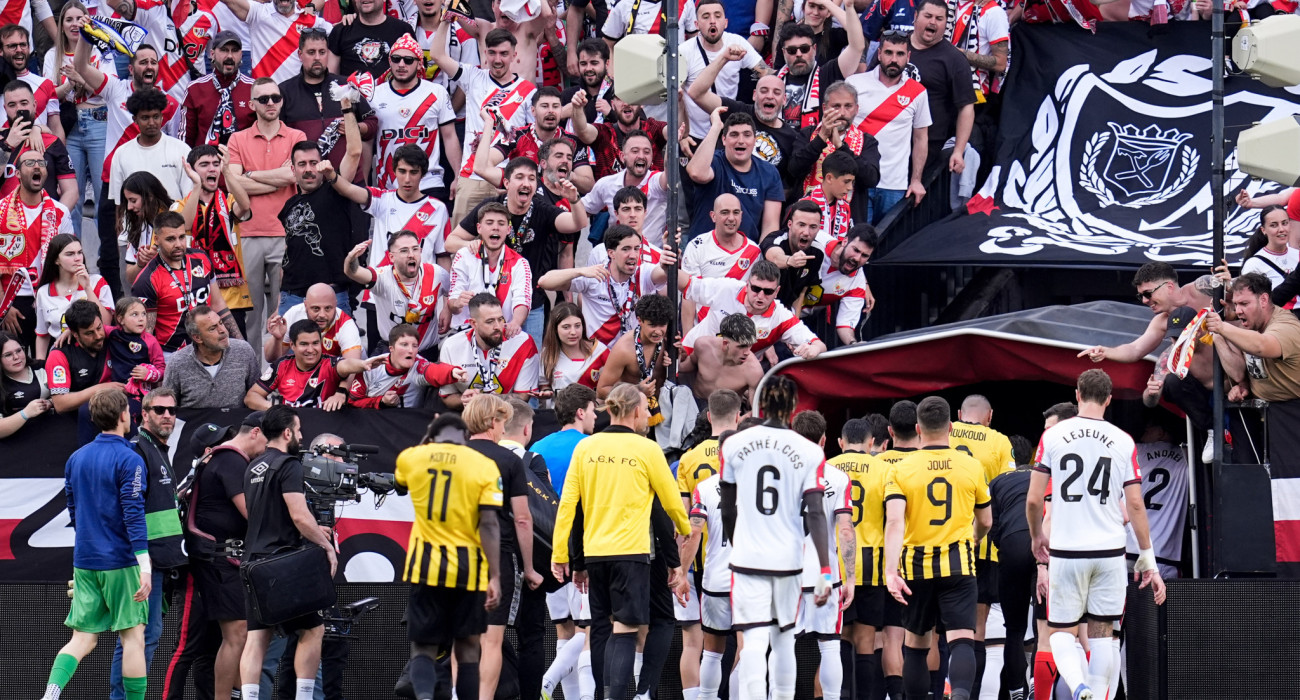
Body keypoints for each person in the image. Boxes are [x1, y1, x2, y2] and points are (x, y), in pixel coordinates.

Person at [1026, 370, 1166, 700]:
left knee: (1060, 633)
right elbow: (1134, 504)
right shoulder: (1123, 440)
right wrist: (1148, 557)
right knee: (1104, 636)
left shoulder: (1054, 436)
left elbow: (1033, 499)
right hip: (1109, 553)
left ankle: (1078, 686)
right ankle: (1097, 693)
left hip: (1067, 552)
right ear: (1109, 399)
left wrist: (1036, 537)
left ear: (1077, 394)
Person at [551, 383, 691, 699]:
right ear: (637, 411)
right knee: (626, 630)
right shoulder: (647, 449)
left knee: (600, 628)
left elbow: (569, 506)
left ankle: (602, 695)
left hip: (595, 553)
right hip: (632, 552)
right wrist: (683, 531)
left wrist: (562, 554)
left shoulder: (585, 448)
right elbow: (671, 503)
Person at [719, 375, 832, 700]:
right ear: (794, 405)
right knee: (783, 641)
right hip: (788, 560)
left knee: (754, 640)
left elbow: (728, 508)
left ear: (761, 403)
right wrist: (825, 570)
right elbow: (815, 513)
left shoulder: (733, 444)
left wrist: (739, 543)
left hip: (747, 558)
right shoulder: (810, 451)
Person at [36, 388, 152, 700]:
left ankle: (50, 694)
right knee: (133, 638)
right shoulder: (130, 458)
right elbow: (133, 514)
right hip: (121, 561)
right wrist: (145, 566)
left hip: (85, 560)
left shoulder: (76, 458)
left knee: (82, 638)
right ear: (124, 416)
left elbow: (73, 511)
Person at [881, 396, 991, 700]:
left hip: (915, 567)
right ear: (951, 427)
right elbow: (986, 520)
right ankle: (960, 695)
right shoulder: (971, 465)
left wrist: (891, 571)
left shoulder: (900, 469)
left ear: (918, 428)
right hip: (958, 564)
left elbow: (894, 522)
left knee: (916, 644)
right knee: (961, 639)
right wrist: (974, 538)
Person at [394, 412, 503, 700]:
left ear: (431, 436)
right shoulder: (483, 465)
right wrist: (495, 576)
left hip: (425, 566)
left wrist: (428, 438)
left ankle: (425, 697)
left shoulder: (412, 457)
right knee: (467, 649)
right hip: (469, 570)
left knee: (423, 648)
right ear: (466, 437)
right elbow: (489, 524)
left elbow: (399, 485)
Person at [237, 405, 337, 700]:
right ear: (287, 433)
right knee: (313, 630)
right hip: (282, 565)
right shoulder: (289, 464)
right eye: (299, 429)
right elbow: (300, 516)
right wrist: (326, 546)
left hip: (253, 564)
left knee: (256, 638)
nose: (302, 436)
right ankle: (304, 697)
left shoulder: (253, 466)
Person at [73, 27, 178, 299]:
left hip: (152, 188)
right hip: (115, 185)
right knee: (110, 251)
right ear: (131, 69)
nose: (149, 66)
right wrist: (85, 35)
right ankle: (113, 305)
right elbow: (81, 67)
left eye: (153, 62)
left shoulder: (170, 103)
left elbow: (173, 144)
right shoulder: (115, 88)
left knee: (155, 248)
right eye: (143, 62)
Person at [449, 158, 588, 345]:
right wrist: (470, 245)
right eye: (520, 177)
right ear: (507, 183)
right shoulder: (491, 208)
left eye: (531, 178)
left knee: (529, 357)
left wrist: (574, 199)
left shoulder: (543, 209)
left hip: (532, 303)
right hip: (491, 305)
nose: (526, 183)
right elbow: (450, 242)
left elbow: (578, 223)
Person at [1078, 262, 1219, 439]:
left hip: (1237, 369)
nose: (1145, 300)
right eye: (1141, 296)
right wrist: (1106, 352)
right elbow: (1135, 349)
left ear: (1169, 286)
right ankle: (1213, 430)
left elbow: (1245, 288)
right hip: (1208, 387)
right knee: (1172, 382)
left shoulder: (1201, 289)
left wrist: (1227, 281)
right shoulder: (1162, 324)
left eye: (1147, 293)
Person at [461, 394, 541, 700]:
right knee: (491, 641)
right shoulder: (509, 461)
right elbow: (523, 519)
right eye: (503, 422)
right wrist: (529, 568)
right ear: (492, 422)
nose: (504, 429)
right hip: (496, 558)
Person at [107, 387, 185, 700]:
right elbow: (129, 509)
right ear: (144, 414)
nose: (167, 415)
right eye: (159, 410)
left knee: (144, 635)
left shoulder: (156, 449)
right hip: (145, 563)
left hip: (160, 561)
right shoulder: (138, 450)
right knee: (138, 636)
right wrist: (142, 562)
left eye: (172, 410)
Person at [189, 412, 268, 700]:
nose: (267, 450)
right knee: (236, 635)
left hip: (227, 560)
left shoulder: (228, 460)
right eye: (268, 441)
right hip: (221, 560)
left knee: (242, 635)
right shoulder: (231, 460)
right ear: (256, 432)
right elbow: (252, 513)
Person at [226, 77, 307, 350]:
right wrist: (278, 178)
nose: (271, 103)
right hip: (247, 233)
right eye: (263, 99)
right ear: (252, 105)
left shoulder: (297, 137)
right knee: (249, 315)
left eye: (275, 97)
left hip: (287, 234)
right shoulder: (237, 138)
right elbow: (232, 183)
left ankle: (280, 372)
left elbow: (293, 175)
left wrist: (249, 176)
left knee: (283, 314)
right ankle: (251, 371)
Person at [431, 19, 537, 223]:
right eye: (492, 53)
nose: (497, 59)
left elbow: (531, 139)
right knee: (461, 239)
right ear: (485, 53)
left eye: (504, 54)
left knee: (506, 240)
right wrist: (445, 21)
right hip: (471, 177)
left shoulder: (528, 90)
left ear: (514, 56)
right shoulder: (472, 76)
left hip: (507, 178)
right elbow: (437, 55)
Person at [533, 383, 600, 700]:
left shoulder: (538, 447)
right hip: (581, 545)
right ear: (580, 412)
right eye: (594, 410)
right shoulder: (591, 447)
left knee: (564, 628)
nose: (597, 416)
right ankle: (550, 681)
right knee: (590, 628)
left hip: (546, 546)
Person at [947, 394, 1015, 698]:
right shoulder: (999, 442)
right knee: (977, 629)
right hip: (983, 545)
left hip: (942, 542)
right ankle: (970, 694)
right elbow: (1007, 491)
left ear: (959, 413)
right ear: (990, 416)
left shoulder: (944, 433)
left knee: (938, 630)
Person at [790, 410, 856, 700]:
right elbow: (846, 530)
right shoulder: (838, 478)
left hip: (786, 574)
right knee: (829, 644)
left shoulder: (776, 475)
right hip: (823, 574)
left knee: (781, 645)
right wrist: (850, 578)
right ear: (824, 440)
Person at [827, 417, 891, 700]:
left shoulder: (827, 468)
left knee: (837, 639)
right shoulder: (884, 469)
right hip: (871, 564)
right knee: (866, 642)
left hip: (836, 564)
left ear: (840, 442)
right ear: (871, 442)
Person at [278, 120, 367, 315]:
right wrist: (279, 303)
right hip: (291, 297)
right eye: (302, 164)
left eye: (313, 163)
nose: (308, 169)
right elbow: (288, 252)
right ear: (293, 170)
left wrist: (347, 109)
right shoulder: (289, 205)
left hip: (331, 295)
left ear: (322, 164)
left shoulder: (336, 190)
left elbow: (354, 152)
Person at [538, 225, 672, 346]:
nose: (633, 255)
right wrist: (579, 271)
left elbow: (663, 272)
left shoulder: (643, 272)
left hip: (631, 354)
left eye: (636, 249)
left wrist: (668, 256)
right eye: (626, 249)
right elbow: (545, 282)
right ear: (611, 253)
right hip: (596, 355)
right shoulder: (594, 275)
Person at [845, 34, 930, 224]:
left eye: (900, 54)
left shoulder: (918, 92)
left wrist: (916, 180)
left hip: (895, 184)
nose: (894, 59)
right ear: (879, 54)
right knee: (857, 239)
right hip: (857, 179)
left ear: (908, 57)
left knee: (888, 241)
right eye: (889, 53)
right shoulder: (854, 83)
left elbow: (921, 138)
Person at [132, 211, 242, 354]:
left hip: (208, 345)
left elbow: (218, 304)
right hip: (171, 353)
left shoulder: (201, 258)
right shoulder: (148, 279)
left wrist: (240, 342)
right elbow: (147, 332)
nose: (178, 244)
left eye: (182, 237)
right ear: (157, 239)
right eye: (170, 239)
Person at [0, 142, 75, 351]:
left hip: (49, 298)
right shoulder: (1, 211)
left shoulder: (60, 212)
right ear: (17, 173)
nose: (37, 167)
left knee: (47, 360)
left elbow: (71, 259)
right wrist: (4, 306)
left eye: (41, 163)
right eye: (30, 163)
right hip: (11, 300)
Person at [46, 1, 110, 239]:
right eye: (69, 20)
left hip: (99, 122)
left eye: (79, 19)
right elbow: (47, 95)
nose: (74, 25)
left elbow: (108, 92)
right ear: (61, 25)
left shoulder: (102, 51)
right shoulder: (53, 55)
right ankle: (72, 253)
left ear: (88, 22)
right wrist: (69, 84)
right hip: (68, 127)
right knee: (71, 196)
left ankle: (106, 257)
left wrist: (80, 79)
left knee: (103, 195)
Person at [370, 35, 460, 201]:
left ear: (419, 63)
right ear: (390, 62)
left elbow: (450, 137)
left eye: (408, 60)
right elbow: (367, 143)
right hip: (389, 185)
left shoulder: (436, 92)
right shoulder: (374, 94)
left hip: (429, 181)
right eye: (396, 59)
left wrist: (458, 175)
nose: (401, 64)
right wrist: (363, 183)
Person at [177, 144, 255, 336]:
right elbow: (185, 224)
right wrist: (197, 186)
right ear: (191, 170)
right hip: (196, 297)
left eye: (216, 164)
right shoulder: (181, 205)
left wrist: (227, 171)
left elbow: (245, 205)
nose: (212, 169)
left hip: (231, 298)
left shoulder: (228, 201)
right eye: (204, 165)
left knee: (236, 350)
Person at [279, 29, 379, 176]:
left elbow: (372, 124)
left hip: (348, 179)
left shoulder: (346, 86)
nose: (317, 58)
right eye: (311, 52)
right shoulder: (284, 91)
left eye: (322, 52)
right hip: (308, 180)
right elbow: (277, 136)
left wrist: (356, 127)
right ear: (300, 55)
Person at [681, 259, 826, 360]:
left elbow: (819, 344)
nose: (761, 296)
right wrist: (670, 261)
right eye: (756, 289)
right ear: (747, 285)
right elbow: (687, 283)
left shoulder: (781, 317)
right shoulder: (726, 288)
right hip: (689, 355)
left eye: (768, 291)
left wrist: (813, 349)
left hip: (729, 374)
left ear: (777, 292)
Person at [686, 108, 785, 241]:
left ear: (755, 140)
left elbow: (770, 227)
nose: (740, 141)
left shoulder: (769, 172)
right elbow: (696, 173)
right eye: (734, 135)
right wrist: (715, 127)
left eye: (747, 135)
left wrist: (762, 253)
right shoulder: (714, 162)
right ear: (724, 139)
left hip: (747, 251)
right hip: (704, 249)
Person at [787, 83, 881, 223]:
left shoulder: (867, 141)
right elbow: (794, 169)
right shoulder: (807, 134)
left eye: (848, 106)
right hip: (807, 221)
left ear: (856, 109)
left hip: (848, 222)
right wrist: (820, 139)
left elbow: (871, 179)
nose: (842, 113)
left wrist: (841, 147)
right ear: (824, 108)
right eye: (836, 106)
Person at [344, 231, 450, 354]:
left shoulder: (437, 273)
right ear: (391, 257)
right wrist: (351, 257)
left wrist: (447, 309)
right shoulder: (382, 277)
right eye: (404, 251)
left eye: (415, 249)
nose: (411, 255)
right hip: (393, 353)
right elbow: (353, 272)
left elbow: (452, 292)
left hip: (427, 352)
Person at [245, 319, 384, 409]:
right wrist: (276, 408)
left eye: (315, 343)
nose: (311, 350)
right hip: (288, 428)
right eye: (304, 344)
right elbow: (251, 397)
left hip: (322, 428)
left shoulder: (329, 363)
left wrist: (364, 364)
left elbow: (346, 365)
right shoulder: (281, 365)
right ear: (292, 345)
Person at [772, 0, 865, 130]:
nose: (798, 54)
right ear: (784, 52)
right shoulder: (774, 81)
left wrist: (845, 7)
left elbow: (857, 45)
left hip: (817, 134)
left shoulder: (828, 73)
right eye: (792, 50)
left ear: (814, 48)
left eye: (804, 49)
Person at [679, 0, 767, 139]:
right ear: (696, 24)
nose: (712, 21)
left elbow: (765, 72)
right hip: (694, 135)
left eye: (717, 16)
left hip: (728, 133)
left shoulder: (737, 42)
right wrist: (682, 135)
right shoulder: (684, 51)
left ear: (725, 23)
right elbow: (676, 95)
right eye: (706, 17)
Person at [437, 293, 541, 409]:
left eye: (500, 319)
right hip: (467, 414)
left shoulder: (523, 342)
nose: (498, 326)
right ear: (473, 323)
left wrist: (482, 400)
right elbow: (447, 396)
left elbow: (523, 396)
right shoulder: (451, 346)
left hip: (509, 414)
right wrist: (464, 400)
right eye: (490, 321)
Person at [1209, 273, 1300, 403]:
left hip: (1291, 407)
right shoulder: (1251, 323)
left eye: (1244, 304)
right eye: (1236, 304)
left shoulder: (1286, 326)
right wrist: (1244, 386)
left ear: (1263, 300)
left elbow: (1261, 346)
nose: (1238, 310)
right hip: (1263, 406)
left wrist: (1221, 327)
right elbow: (1239, 374)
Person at [908, 0, 976, 174]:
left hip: (929, 144)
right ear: (915, 16)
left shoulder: (954, 59)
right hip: (888, 136)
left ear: (946, 23)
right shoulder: (896, 46)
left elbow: (966, 107)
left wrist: (958, 150)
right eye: (928, 16)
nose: (933, 22)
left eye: (939, 19)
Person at [447, 200, 535, 332]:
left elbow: (522, 300)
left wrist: (515, 323)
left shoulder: (520, 263)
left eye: (501, 223)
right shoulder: (464, 256)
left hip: (502, 332)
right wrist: (457, 303)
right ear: (479, 228)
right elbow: (453, 301)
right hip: (467, 330)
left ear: (508, 230)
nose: (495, 227)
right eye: (489, 223)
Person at [680, 194, 763, 327]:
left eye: (736, 212)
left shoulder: (754, 251)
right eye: (725, 212)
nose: (731, 218)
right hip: (703, 330)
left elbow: (757, 297)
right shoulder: (696, 246)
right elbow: (689, 294)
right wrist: (688, 336)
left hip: (737, 332)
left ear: (741, 216)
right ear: (713, 216)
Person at [108, 88, 192, 213]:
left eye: (156, 117)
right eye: (145, 118)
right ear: (135, 120)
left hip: (173, 222)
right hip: (134, 224)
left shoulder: (182, 150)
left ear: (162, 117)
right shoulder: (121, 154)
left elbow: (189, 199)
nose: (151, 123)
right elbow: (119, 204)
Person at [161, 305, 261, 409]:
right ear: (197, 338)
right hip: (194, 419)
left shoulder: (243, 351)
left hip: (237, 418)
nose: (222, 330)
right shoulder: (178, 362)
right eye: (212, 328)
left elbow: (258, 395)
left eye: (221, 323)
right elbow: (166, 406)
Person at [595, 294, 674, 425]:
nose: (658, 332)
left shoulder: (669, 340)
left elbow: (684, 370)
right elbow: (602, 390)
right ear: (639, 320)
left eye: (662, 325)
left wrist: (679, 357)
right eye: (652, 325)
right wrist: (637, 391)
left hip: (662, 411)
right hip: (630, 412)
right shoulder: (624, 349)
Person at [0, 81, 78, 212]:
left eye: (24, 103)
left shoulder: (52, 142)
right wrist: (8, 145)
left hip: (44, 218)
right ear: (5, 108)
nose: (19, 109)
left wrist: (55, 218)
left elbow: (71, 191)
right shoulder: (2, 140)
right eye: (12, 105)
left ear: (34, 105)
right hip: (5, 219)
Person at [33, 234, 113, 361]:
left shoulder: (97, 282)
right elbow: (43, 335)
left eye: (79, 252)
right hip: (62, 357)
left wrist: (87, 287)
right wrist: (40, 364)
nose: (77, 258)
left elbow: (106, 323)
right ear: (56, 260)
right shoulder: (43, 292)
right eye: (70, 254)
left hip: (96, 356)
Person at [348, 323, 464, 408]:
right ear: (391, 348)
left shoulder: (418, 364)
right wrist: (381, 401)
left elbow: (433, 370)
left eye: (415, 346)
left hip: (406, 424)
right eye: (404, 345)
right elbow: (353, 403)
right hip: (374, 421)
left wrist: (451, 372)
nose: (411, 350)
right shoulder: (371, 367)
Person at [219, 0, 334, 83]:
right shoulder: (259, 13)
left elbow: (339, 33)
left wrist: (345, 18)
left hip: (299, 95)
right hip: (266, 96)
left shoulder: (311, 20)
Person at [181, 30, 256, 147]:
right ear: (212, 54)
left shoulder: (254, 89)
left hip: (242, 157)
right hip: (204, 156)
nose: (230, 56)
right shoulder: (195, 88)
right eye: (224, 50)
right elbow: (185, 139)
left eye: (234, 50)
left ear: (241, 54)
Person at [47, 299, 120, 414]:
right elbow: (60, 404)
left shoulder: (112, 336)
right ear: (75, 334)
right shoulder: (59, 354)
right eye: (89, 333)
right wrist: (102, 389)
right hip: (78, 417)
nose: (98, 336)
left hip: (115, 412)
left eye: (99, 327)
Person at [266, 283, 364, 363]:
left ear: (335, 305)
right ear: (305, 305)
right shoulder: (294, 313)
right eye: (316, 309)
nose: (322, 315)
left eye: (328, 308)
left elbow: (352, 369)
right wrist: (277, 339)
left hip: (336, 375)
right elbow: (271, 359)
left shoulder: (346, 325)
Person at [104, 297, 167, 422]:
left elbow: (162, 370)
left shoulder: (150, 341)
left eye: (144, 314)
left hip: (138, 394)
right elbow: (92, 327)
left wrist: (149, 374)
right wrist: (69, 331)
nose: (141, 318)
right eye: (135, 314)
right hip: (113, 390)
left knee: (126, 416)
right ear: (120, 319)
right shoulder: (112, 333)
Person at [678, 313, 764, 403]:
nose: (747, 352)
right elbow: (686, 366)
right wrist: (677, 356)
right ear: (725, 343)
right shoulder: (704, 346)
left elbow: (755, 408)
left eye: (750, 345)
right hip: (694, 402)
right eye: (742, 346)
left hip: (726, 410)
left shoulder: (754, 371)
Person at [760, 200, 825, 310]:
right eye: (801, 225)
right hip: (759, 302)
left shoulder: (817, 252)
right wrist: (789, 260)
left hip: (785, 309)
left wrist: (795, 319)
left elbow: (801, 293)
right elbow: (775, 257)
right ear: (790, 224)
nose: (806, 232)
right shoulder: (776, 239)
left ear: (819, 228)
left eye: (813, 227)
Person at [327, 0, 415, 77]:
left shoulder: (403, 30)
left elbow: (413, 72)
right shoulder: (341, 30)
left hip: (391, 90)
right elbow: (331, 78)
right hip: (350, 91)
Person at [540, 302, 610, 396]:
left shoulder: (600, 351)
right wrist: (546, 392)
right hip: (559, 405)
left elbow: (613, 386)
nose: (573, 332)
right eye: (566, 327)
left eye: (577, 326)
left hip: (593, 405)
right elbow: (544, 385)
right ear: (555, 329)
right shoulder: (548, 353)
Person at [119, 172, 175, 286]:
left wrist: (159, 258)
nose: (129, 207)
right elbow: (130, 278)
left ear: (150, 196)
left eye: (133, 201)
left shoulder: (176, 219)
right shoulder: (137, 226)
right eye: (128, 201)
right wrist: (141, 263)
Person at [0, 330, 52, 438]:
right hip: (18, 440)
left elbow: (68, 393)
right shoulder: (2, 384)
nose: (16, 357)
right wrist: (25, 413)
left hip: (54, 429)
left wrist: (51, 402)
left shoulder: (42, 367)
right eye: (8, 355)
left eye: (19, 350)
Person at [1237, 205, 1295, 301]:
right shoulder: (1254, 264)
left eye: (1284, 223)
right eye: (1274, 225)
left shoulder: (1298, 255)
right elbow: (1248, 300)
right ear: (1263, 230)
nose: (1281, 229)